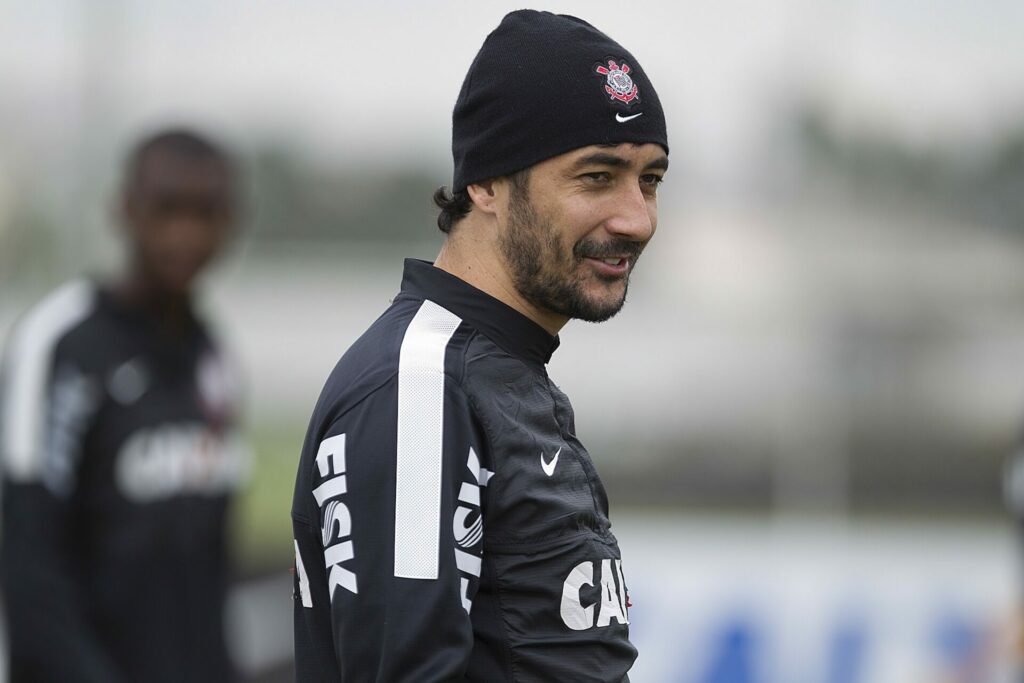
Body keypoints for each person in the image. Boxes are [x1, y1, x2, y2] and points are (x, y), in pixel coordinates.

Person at [291, 9, 668, 682]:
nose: (636, 217)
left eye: (650, 180)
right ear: (487, 183)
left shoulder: (502, 374)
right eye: (597, 177)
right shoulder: (423, 384)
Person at [0, 128, 248, 682]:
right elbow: (29, 567)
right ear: (125, 211)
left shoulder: (216, 360)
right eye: (166, 210)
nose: (183, 234)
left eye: (203, 212)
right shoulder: (60, 342)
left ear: (229, 222)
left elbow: (209, 567)